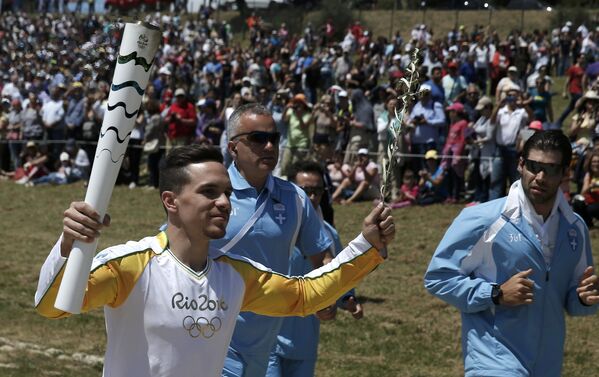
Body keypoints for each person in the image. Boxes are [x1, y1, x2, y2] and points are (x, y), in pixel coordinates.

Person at [35, 144, 393, 377]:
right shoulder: (129, 266)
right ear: (171, 201)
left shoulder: (236, 274)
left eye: (227, 192)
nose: (224, 202)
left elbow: (304, 296)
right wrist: (69, 244)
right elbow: (53, 307)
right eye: (209, 192)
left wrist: (366, 245)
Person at [424, 130, 599, 377]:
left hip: (547, 365)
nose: (539, 176)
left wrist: (584, 298)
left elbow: (571, 299)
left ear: (565, 173)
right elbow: (438, 278)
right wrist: (495, 293)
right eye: (533, 166)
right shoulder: (483, 219)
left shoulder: (576, 228)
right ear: (520, 165)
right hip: (493, 361)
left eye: (549, 169)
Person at [213, 103, 336, 377]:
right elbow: (169, 249)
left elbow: (321, 257)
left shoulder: (295, 198)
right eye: (258, 138)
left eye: (274, 138)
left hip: (265, 346)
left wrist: (327, 295)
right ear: (233, 148)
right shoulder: (210, 192)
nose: (269, 146)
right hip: (209, 339)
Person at [266, 161, 363, 377]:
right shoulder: (272, 231)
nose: (311, 197)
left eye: (317, 191)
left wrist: (346, 300)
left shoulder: (329, 235)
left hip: (305, 341)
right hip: (270, 337)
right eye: (305, 191)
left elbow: (338, 278)